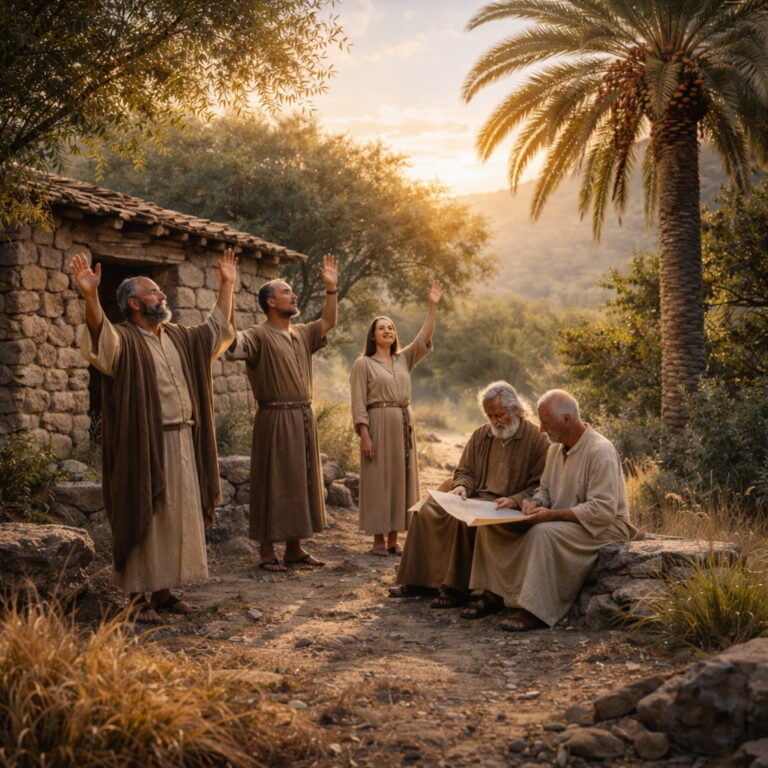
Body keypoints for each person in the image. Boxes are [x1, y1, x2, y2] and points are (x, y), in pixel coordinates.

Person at [70, 249, 237, 623]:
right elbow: (99, 339)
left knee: (174, 516)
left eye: (161, 293)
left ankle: (163, 592)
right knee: (145, 512)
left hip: (183, 441)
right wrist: (89, 296)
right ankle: (137, 598)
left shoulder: (179, 337)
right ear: (133, 303)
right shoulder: (125, 340)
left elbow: (216, 330)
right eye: (154, 293)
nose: (162, 297)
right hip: (143, 444)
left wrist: (227, 284)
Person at [468, 389, 637, 631]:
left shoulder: (600, 451)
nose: (541, 429)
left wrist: (552, 515)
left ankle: (534, 610)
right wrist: (534, 504)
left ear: (567, 419)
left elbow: (602, 511)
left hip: (605, 528)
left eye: (546, 423)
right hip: (564, 521)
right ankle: (495, 593)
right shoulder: (555, 449)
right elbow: (545, 490)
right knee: (493, 524)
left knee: (542, 534)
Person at [389, 381, 549, 608]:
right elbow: (464, 471)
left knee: (463, 522)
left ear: (515, 410)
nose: (495, 421)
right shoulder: (481, 435)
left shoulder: (536, 439)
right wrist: (462, 486)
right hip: (474, 498)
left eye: (500, 415)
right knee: (426, 510)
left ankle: (456, 589)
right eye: (490, 415)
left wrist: (514, 499)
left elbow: (540, 484)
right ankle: (419, 581)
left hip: (507, 505)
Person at [227, 254, 338, 571]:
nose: (294, 296)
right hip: (274, 418)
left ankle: (294, 547)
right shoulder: (258, 334)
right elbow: (232, 345)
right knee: (272, 481)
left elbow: (328, 322)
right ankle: (266, 551)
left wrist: (331, 289)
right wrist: (228, 287)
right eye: (287, 291)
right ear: (271, 302)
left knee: (301, 480)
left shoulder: (302, 333)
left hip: (303, 416)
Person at [350, 281, 443, 556]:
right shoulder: (363, 364)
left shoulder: (404, 359)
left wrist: (432, 307)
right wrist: (364, 434)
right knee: (379, 478)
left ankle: (394, 538)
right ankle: (378, 539)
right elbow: (358, 401)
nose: (388, 330)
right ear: (372, 335)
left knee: (402, 477)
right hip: (378, 423)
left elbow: (424, 336)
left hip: (404, 421)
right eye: (382, 328)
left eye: (391, 327)